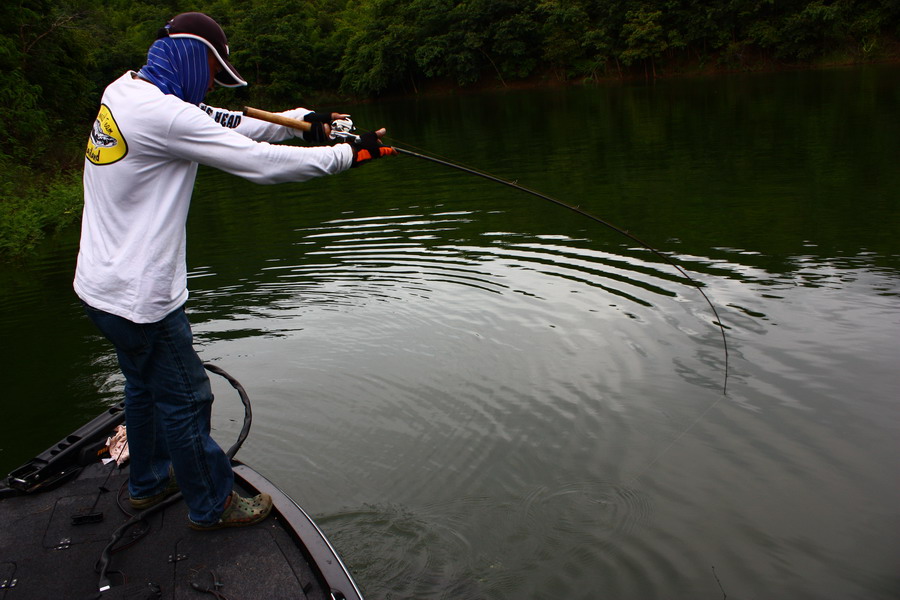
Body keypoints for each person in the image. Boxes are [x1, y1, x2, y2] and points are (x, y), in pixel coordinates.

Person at [75, 12, 396, 530]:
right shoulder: (167, 117)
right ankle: (212, 506)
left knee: (142, 388)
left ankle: (149, 483)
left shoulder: (127, 90)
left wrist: (303, 118)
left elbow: (224, 121)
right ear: (189, 56)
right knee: (188, 398)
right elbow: (259, 162)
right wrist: (345, 155)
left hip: (99, 290)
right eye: (210, 70)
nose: (209, 85)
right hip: (142, 298)